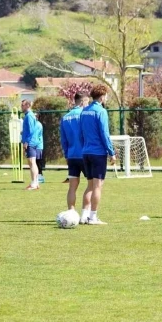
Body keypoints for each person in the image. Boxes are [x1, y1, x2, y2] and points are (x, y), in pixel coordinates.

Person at [79, 84, 116, 225]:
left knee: (89, 185)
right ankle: (93, 217)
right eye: (106, 96)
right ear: (102, 97)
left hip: (86, 152)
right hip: (98, 153)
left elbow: (81, 133)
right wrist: (111, 153)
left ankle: (84, 216)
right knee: (97, 186)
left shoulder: (84, 111)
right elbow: (104, 134)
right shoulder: (101, 111)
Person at [60, 92, 92, 224]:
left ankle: (71, 213)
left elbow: (63, 139)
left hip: (72, 155)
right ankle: (85, 214)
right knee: (92, 185)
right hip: (84, 154)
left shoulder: (65, 117)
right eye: (88, 102)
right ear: (83, 102)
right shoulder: (84, 116)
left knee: (72, 186)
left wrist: (67, 154)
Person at [20, 100, 42, 191]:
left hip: (31, 143)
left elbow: (31, 130)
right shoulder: (29, 116)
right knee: (33, 163)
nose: (21, 106)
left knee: (32, 162)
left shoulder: (29, 116)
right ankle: (35, 182)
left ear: (28, 105)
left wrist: (26, 142)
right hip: (32, 142)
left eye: (23, 105)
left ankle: (34, 183)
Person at [34, 114, 45, 183]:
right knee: (35, 161)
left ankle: (40, 176)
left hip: (38, 146)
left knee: (38, 161)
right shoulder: (35, 124)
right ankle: (37, 176)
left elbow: (34, 135)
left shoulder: (38, 124)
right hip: (36, 145)